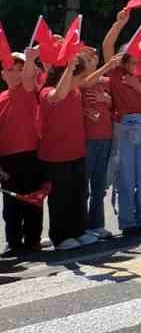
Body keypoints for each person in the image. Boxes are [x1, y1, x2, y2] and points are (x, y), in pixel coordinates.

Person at [102, 9, 141, 232]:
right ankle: (128, 221)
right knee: (126, 177)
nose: (136, 63)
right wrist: (118, 25)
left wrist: (138, 85)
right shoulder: (117, 74)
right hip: (125, 127)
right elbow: (107, 48)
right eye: (131, 59)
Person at [38, 53, 90, 250]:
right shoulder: (48, 92)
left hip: (76, 151)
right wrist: (69, 68)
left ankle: (78, 231)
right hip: (56, 155)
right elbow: (58, 96)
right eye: (80, 76)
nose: (82, 81)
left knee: (77, 194)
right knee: (61, 197)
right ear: (65, 75)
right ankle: (60, 237)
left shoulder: (75, 92)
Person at [1, 50, 43, 258]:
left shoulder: (27, 91)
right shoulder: (0, 98)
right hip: (7, 159)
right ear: (3, 74)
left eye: (20, 69)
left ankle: (33, 240)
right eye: (11, 70)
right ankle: (13, 241)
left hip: (31, 154)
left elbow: (28, 78)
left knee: (32, 200)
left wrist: (32, 58)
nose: (16, 74)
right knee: (11, 205)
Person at [79, 49, 114, 239]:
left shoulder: (106, 81)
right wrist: (107, 66)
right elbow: (84, 84)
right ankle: (82, 225)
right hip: (88, 139)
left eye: (93, 55)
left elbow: (114, 103)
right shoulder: (79, 80)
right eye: (87, 56)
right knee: (84, 186)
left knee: (99, 185)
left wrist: (107, 100)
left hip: (105, 137)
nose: (91, 58)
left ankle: (97, 224)